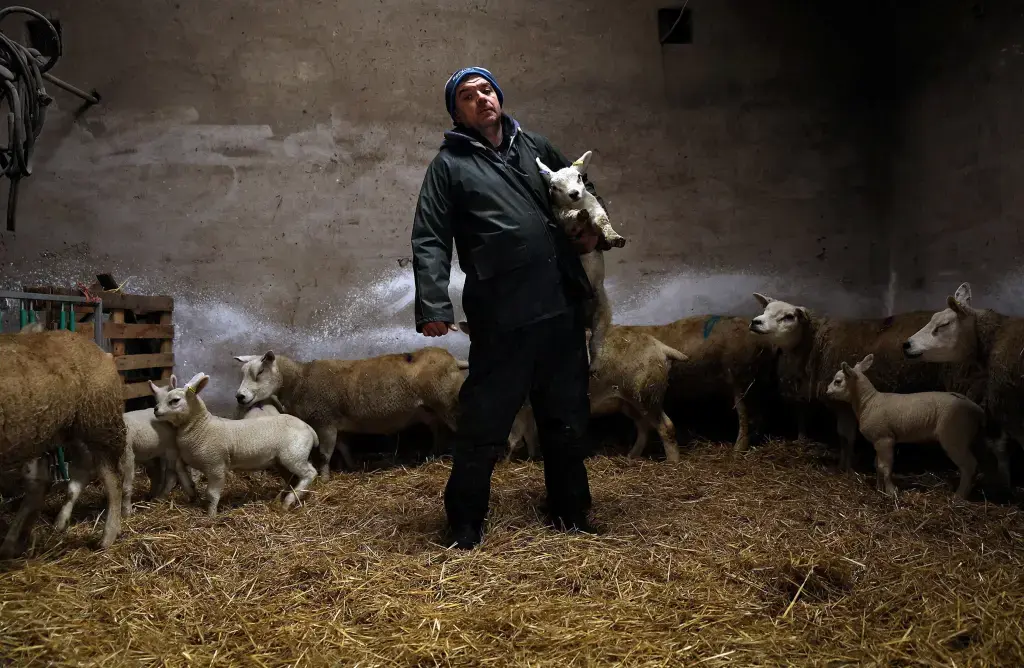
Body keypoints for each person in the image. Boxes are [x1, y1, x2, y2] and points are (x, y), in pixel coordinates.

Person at [410, 66, 609, 550]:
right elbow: (431, 237)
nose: (481, 98)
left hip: (559, 304)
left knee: (564, 415)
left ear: (499, 96)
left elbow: (581, 189)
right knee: (484, 422)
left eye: (486, 89)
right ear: (456, 113)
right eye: (467, 95)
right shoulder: (449, 166)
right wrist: (433, 302)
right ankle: (464, 525)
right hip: (501, 314)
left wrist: (593, 228)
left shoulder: (536, 146)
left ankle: (570, 514)